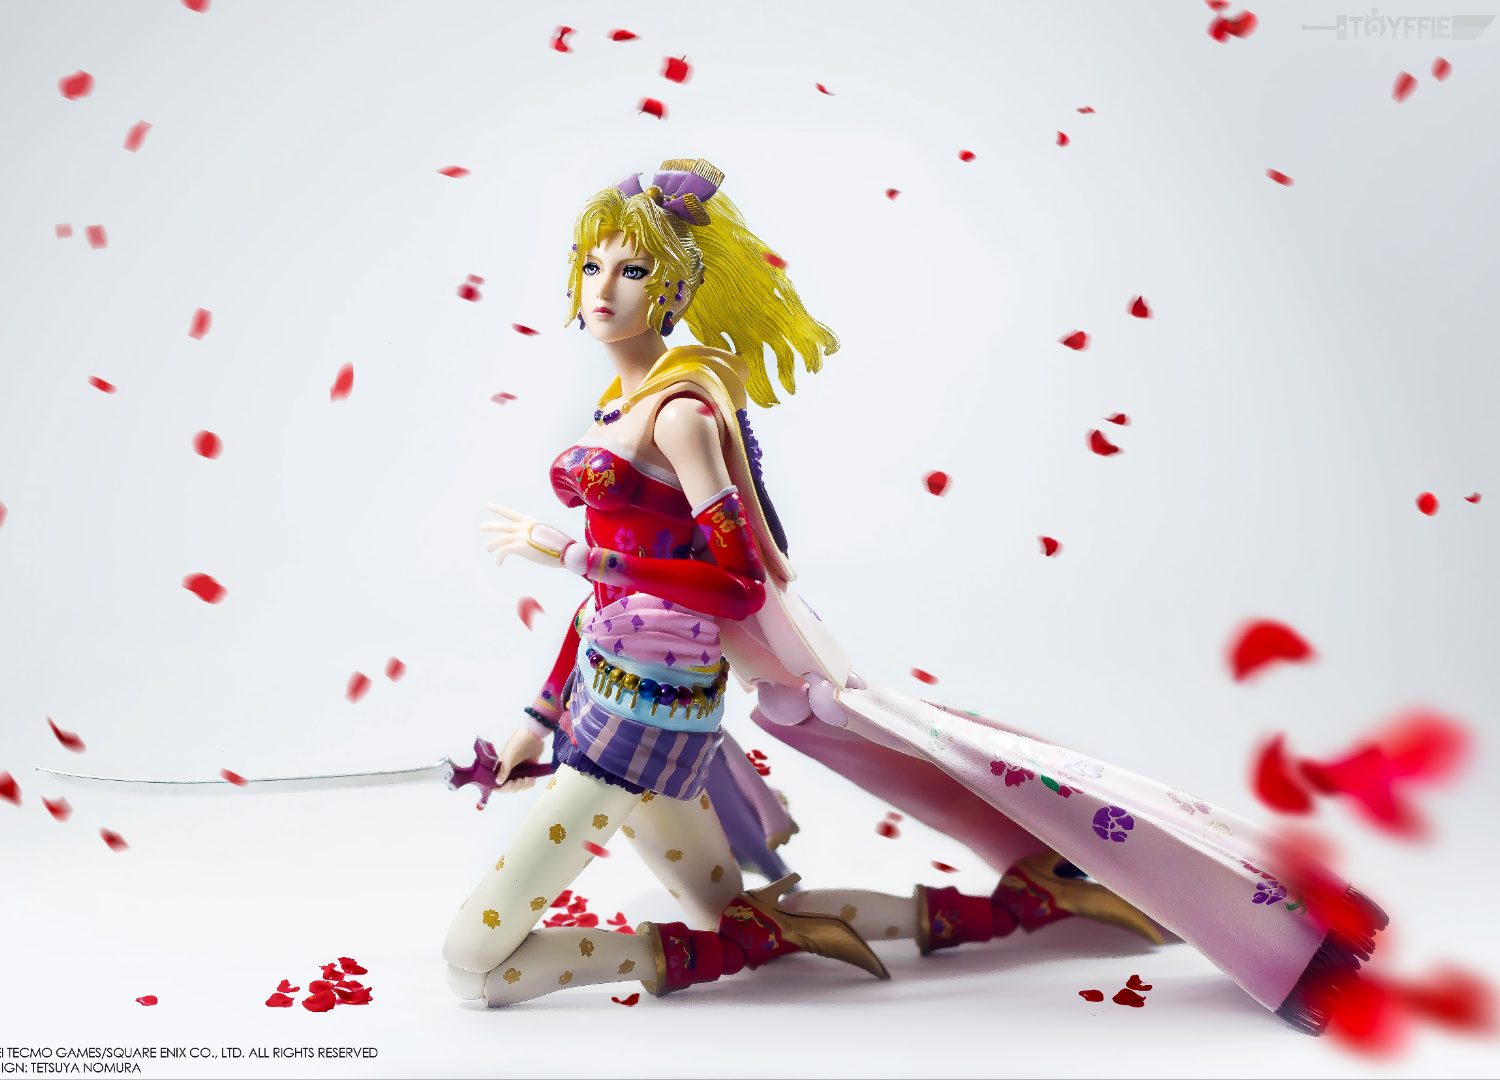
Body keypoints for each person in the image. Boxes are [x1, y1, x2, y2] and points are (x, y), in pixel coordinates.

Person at [442, 160, 1382, 1034]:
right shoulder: (623, 404)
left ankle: (728, 946)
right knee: (734, 913)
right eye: (591, 266)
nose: (602, 289)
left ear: (676, 292)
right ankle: (1018, 906)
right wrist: (540, 713)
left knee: (473, 966)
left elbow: (735, 582)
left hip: (642, 723)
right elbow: (604, 601)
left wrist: (577, 556)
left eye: (633, 270)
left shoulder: (682, 414)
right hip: (611, 695)